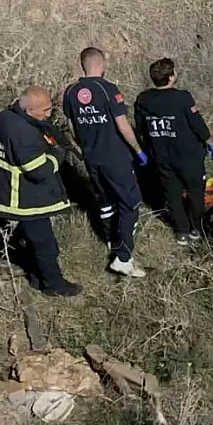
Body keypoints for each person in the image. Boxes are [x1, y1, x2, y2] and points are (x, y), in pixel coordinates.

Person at [0, 87, 81, 297]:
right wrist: (57, 155)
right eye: (45, 110)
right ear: (29, 110)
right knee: (44, 243)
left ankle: (37, 277)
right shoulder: (23, 133)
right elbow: (39, 171)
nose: (49, 114)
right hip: (24, 198)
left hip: (4, 188)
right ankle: (53, 284)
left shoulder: (3, 118)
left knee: (33, 239)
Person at [62, 47, 147, 277]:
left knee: (105, 200)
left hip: (92, 157)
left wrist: (85, 147)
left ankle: (111, 240)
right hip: (115, 157)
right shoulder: (107, 89)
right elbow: (122, 125)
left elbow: (72, 128)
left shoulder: (70, 92)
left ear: (83, 65)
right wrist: (138, 150)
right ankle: (124, 257)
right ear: (101, 64)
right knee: (130, 202)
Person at [134, 57, 213, 245]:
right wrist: (209, 141)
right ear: (171, 77)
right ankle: (196, 228)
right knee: (195, 192)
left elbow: (140, 128)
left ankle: (182, 231)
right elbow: (197, 124)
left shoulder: (143, 100)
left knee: (172, 194)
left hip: (161, 156)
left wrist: (147, 148)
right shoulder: (182, 98)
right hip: (188, 156)